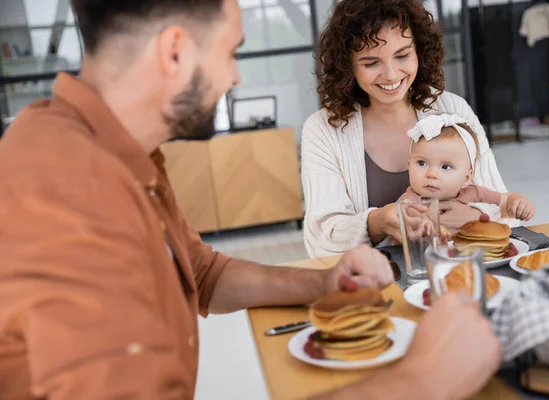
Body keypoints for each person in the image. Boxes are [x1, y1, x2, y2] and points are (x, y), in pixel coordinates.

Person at [0, 0, 500, 399]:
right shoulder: (67, 186)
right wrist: (420, 383)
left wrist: (324, 281)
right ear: (176, 51)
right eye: (231, 51)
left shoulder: (118, 149)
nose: (237, 76)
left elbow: (204, 276)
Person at [301, 0, 517, 258]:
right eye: (371, 63)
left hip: (457, 270)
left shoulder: (453, 109)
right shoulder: (324, 129)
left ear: (420, 51)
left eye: (402, 55)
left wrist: (475, 217)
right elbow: (320, 241)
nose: (391, 75)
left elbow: (505, 211)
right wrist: (378, 222)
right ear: (347, 66)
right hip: (376, 283)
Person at [401, 113, 536, 222]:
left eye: (446, 167)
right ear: (409, 166)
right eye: (422, 163)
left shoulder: (474, 194)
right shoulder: (409, 201)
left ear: (466, 177)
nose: (431, 174)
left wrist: (518, 203)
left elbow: (504, 202)